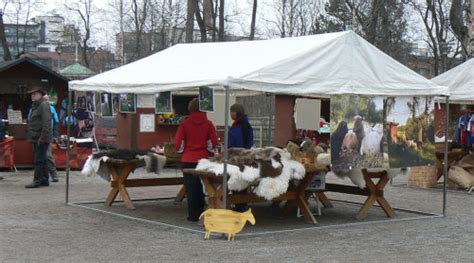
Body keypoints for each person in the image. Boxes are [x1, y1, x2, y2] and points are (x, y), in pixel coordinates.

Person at [174, 98, 217, 222]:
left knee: (191, 188)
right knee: (204, 185)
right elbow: (213, 143)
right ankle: (203, 210)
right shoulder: (209, 124)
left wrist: (182, 151)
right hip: (203, 159)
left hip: (188, 159)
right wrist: (208, 151)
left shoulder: (184, 123)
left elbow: (178, 143)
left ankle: (193, 215)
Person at [228, 103, 254, 212]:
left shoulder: (240, 125)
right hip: (242, 156)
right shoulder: (242, 124)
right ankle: (240, 204)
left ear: (236, 112)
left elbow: (235, 141)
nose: (230, 114)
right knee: (239, 180)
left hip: (238, 156)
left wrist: (234, 150)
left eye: (232, 112)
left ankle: (240, 204)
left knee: (238, 180)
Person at [25, 87, 52, 188]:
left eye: (35, 94)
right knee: (43, 159)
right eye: (32, 94)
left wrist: (43, 137)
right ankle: (44, 180)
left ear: (40, 95)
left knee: (38, 160)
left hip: (41, 137)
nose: (32, 96)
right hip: (37, 136)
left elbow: (47, 122)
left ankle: (37, 181)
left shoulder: (43, 105)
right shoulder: (36, 106)